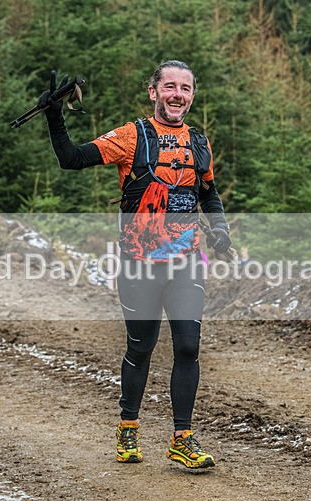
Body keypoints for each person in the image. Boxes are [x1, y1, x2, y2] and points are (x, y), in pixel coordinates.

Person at [39, 60, 231, 469]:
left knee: (188, 346)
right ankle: (128, 425)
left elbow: (209, 193)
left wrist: (220, 230)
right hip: (138, 262)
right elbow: (72, 159)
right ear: (154, 92)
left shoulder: (200, 143)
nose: (178, 94)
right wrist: (55, 115)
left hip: (185, 262)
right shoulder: (132, 136)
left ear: (192, 95)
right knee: (141, 348)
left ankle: (183, 437)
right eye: (170, 87)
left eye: (185, 88)